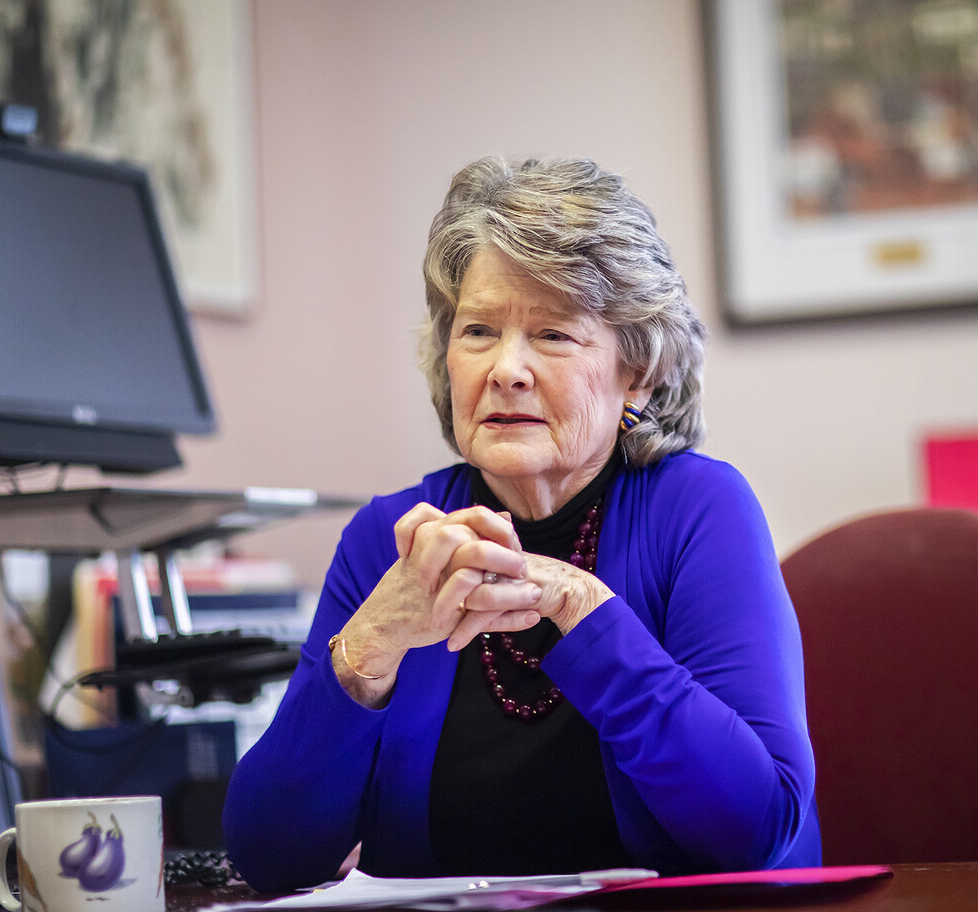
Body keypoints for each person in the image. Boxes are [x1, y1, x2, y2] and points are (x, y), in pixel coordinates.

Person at [222, 157, 820, 891]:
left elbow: (757, 831)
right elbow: (269, 856)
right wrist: (372, 644)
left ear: (639, 373)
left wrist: (581, 609)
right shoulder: (391, 538)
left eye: (553, 335)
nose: (506, 368)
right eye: (478, 330)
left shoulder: (699, 510)